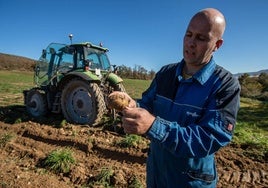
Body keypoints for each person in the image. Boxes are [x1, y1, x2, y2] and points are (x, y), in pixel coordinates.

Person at [113, 8, 241, 187]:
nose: (190, 42)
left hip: (190, 181)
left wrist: (153, 125)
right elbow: (147, 104)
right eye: (188, 34)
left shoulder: (224, 85)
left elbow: (208, 138)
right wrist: (131, 104)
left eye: (201, 38)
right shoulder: (166, 74)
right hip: (156, 174)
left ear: (217, 45)